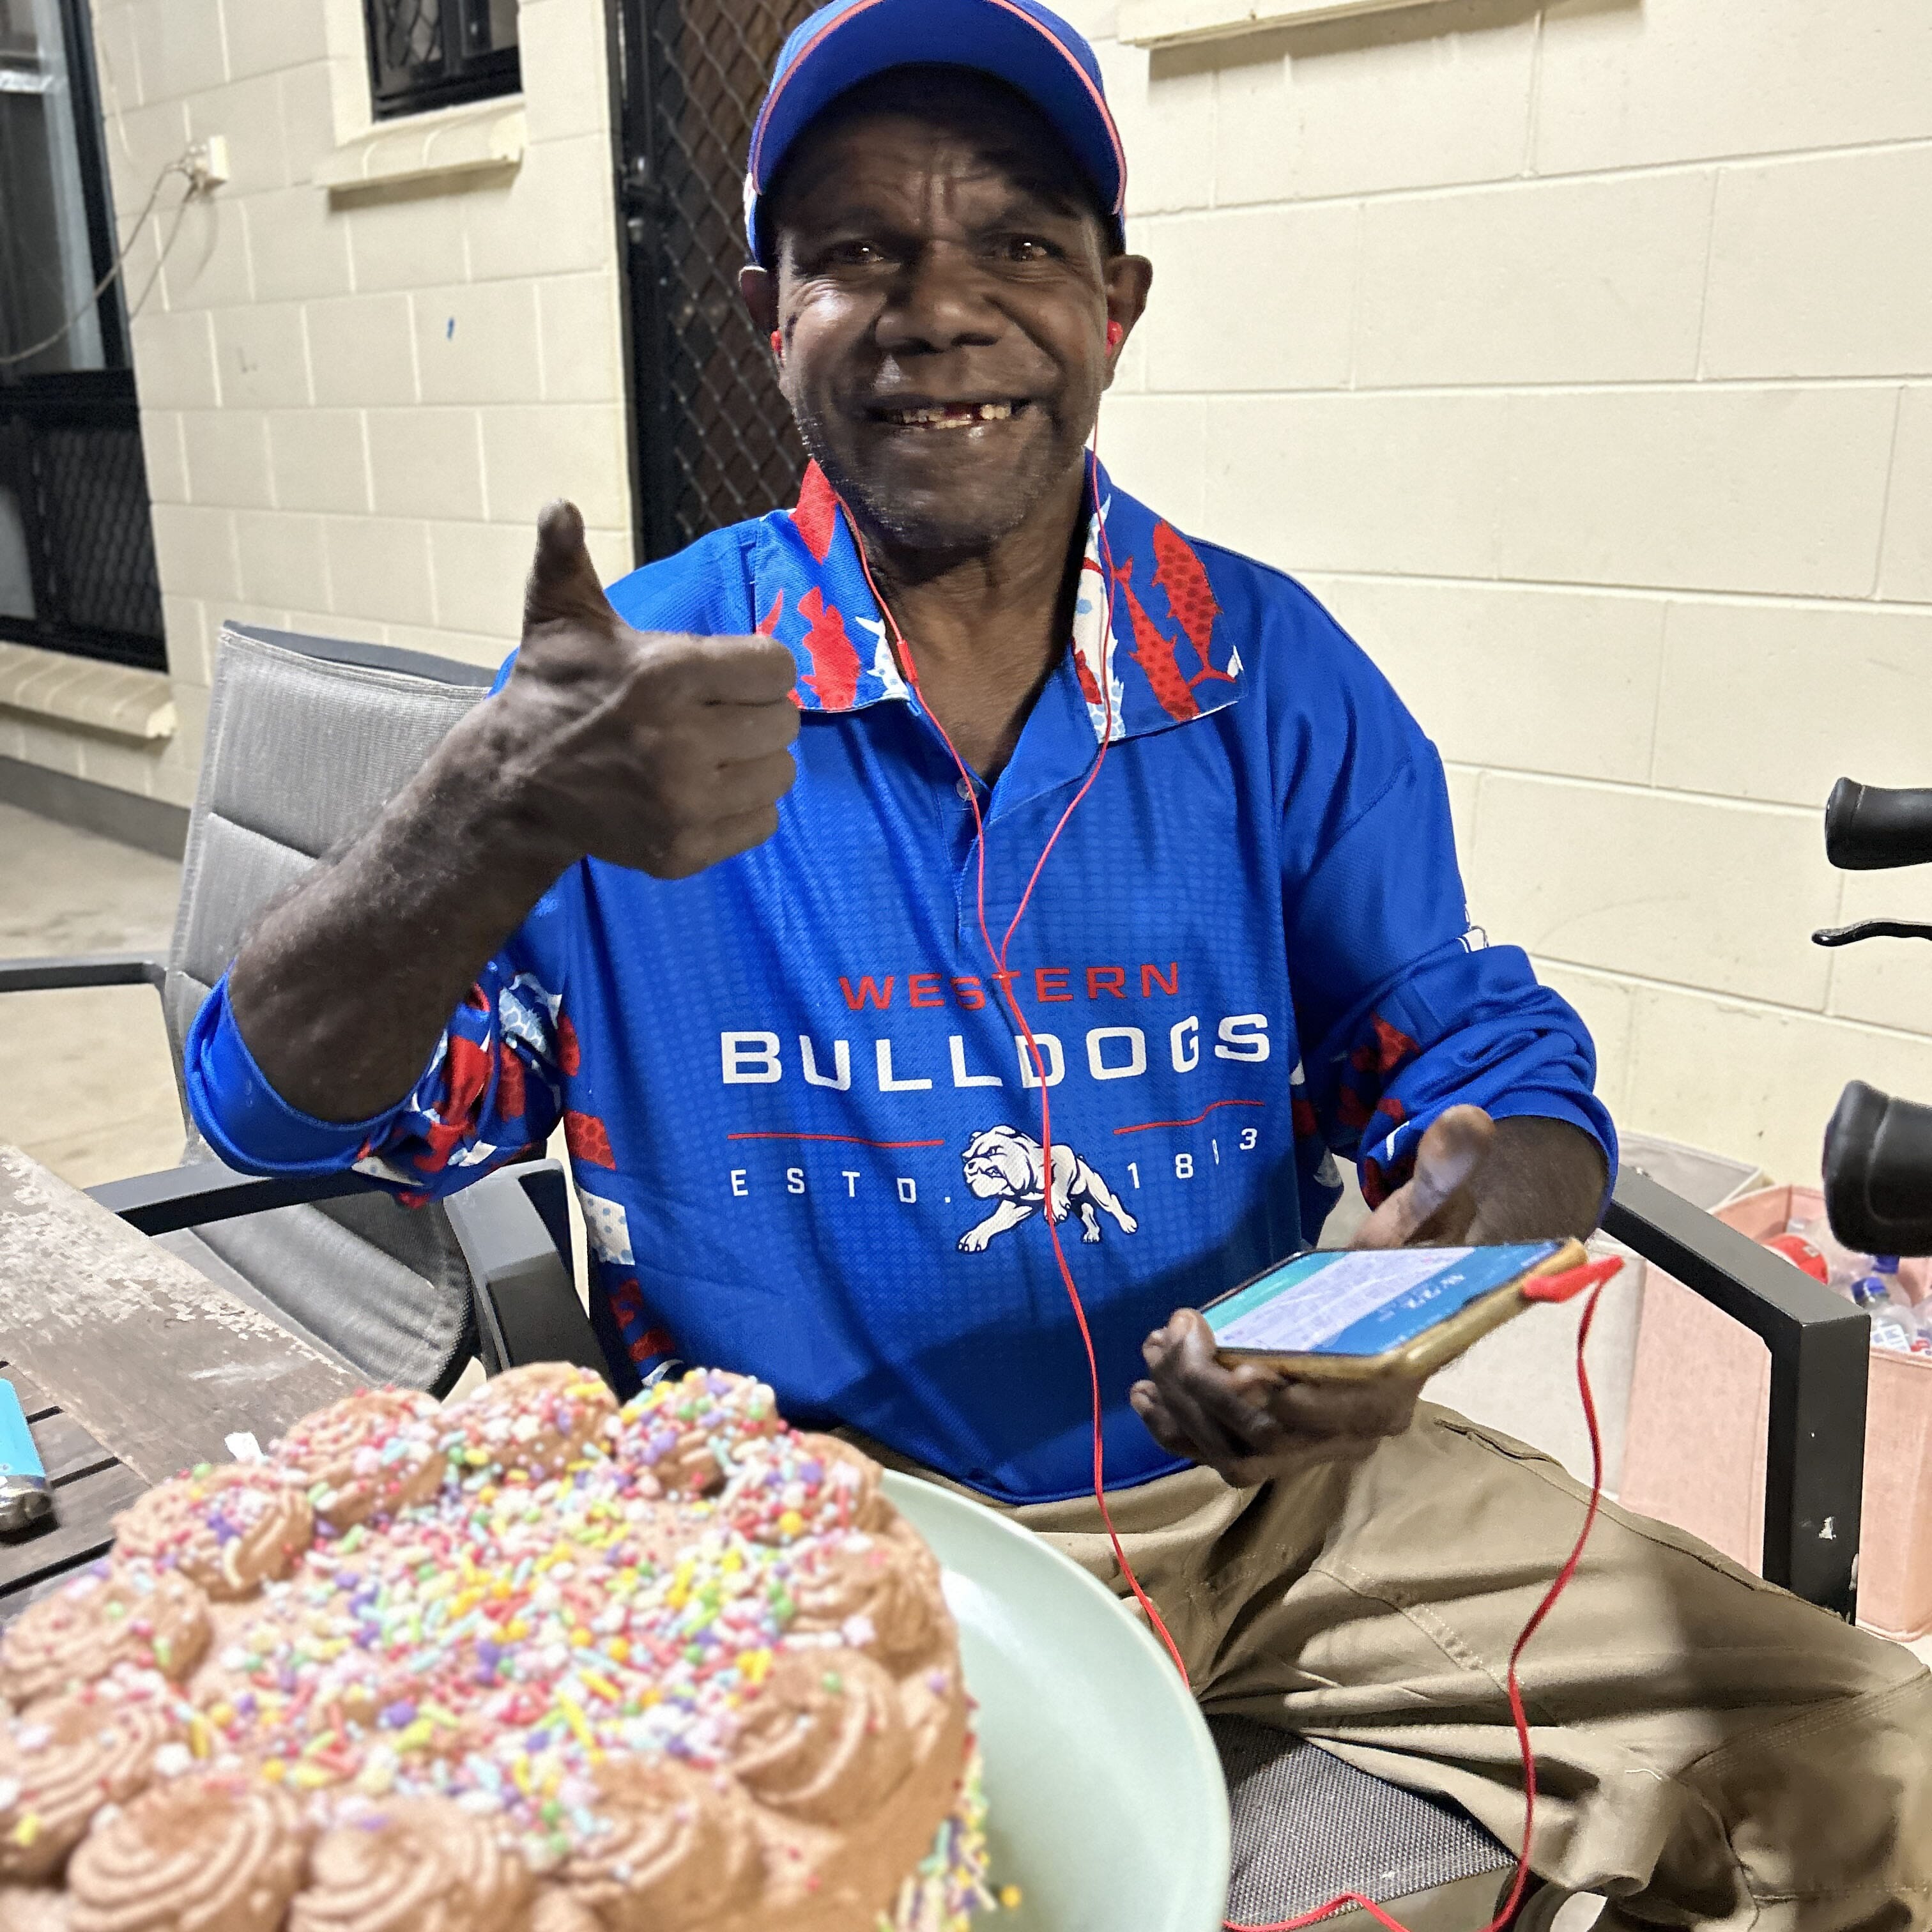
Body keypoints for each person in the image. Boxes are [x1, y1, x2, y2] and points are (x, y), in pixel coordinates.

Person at [187, 1, 1930, 1923]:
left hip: (1287, 1506)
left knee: (1885, 1777)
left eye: (1019, 244)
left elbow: (1485, 1063)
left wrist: (1439, 1248)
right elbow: (280, 1105)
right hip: (833, 1534)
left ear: (1120, 302)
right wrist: (484, 807)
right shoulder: (636, 704)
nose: (942, 308)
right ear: (773, 314)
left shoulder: (1265, 675)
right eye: (860, 251)